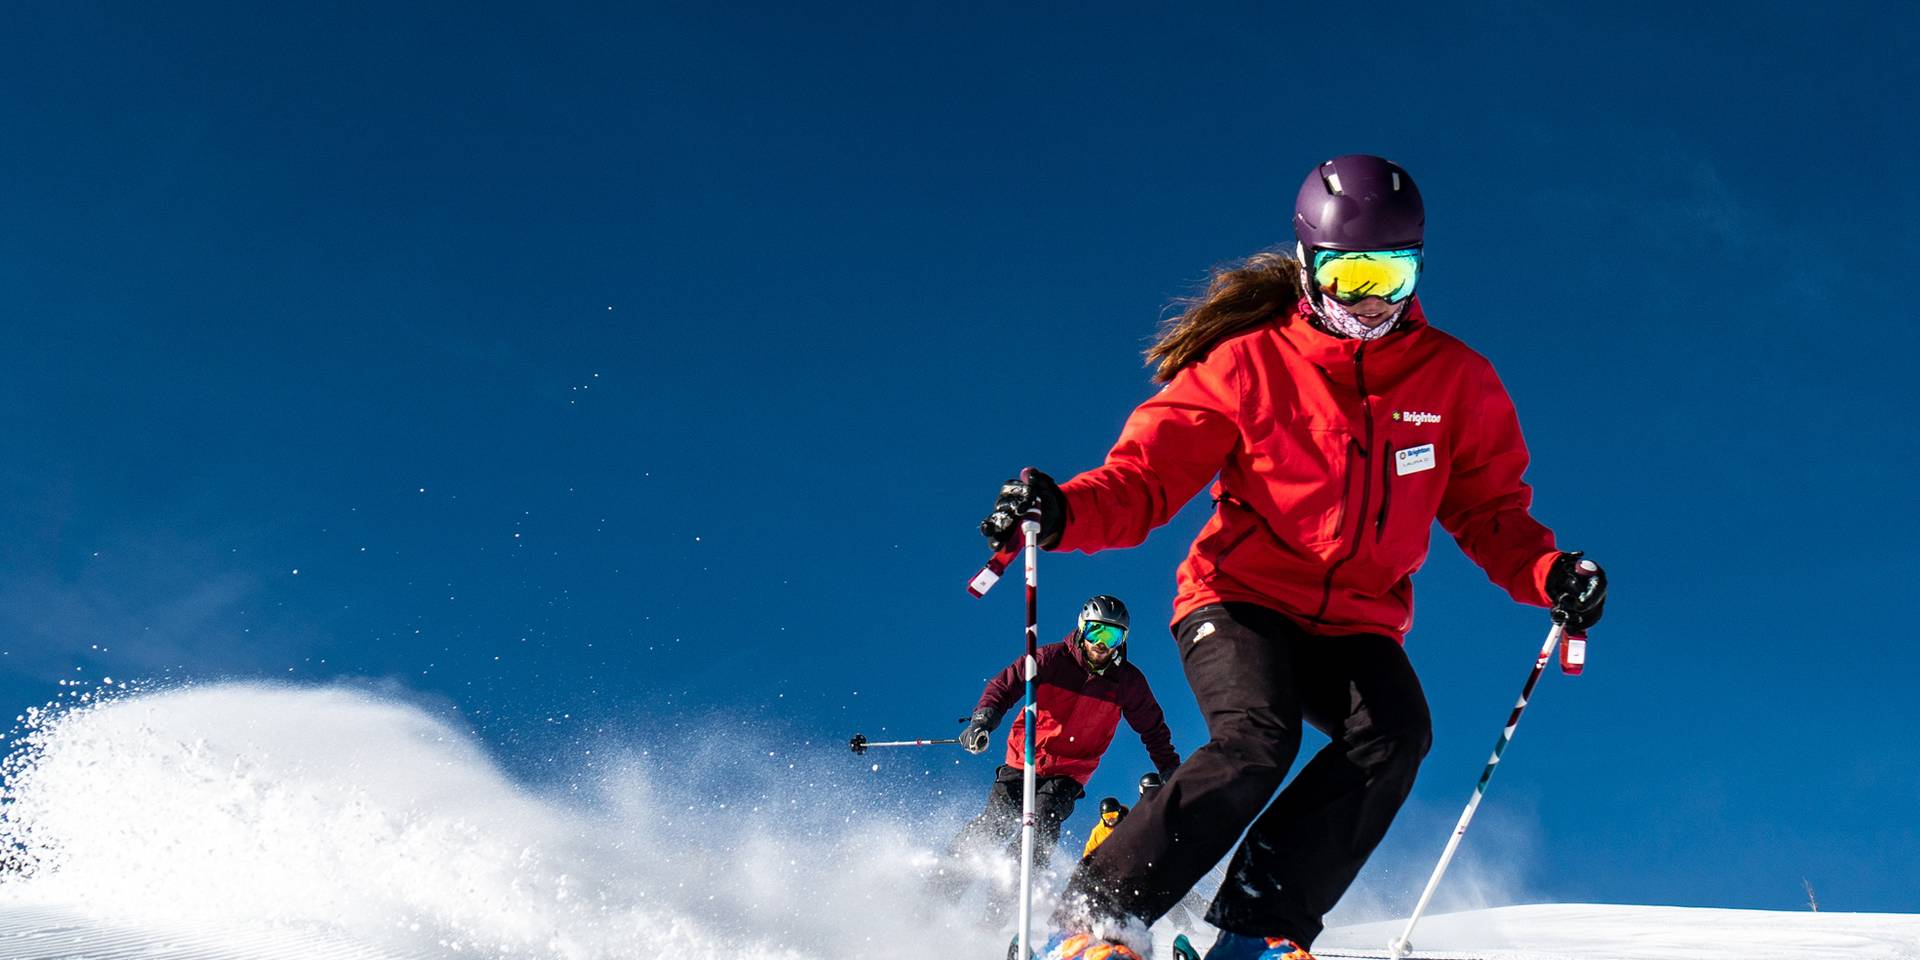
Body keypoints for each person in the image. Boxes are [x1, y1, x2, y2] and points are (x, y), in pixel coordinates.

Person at [977, 155, 1609, 960]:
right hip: (1238, 598)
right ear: (1310, 266)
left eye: (1393, 273)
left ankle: (1258, 930)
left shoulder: (1455, 382)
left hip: (1356, 620)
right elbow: (1145, 477)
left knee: (1394, 736)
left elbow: (1491, 513)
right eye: (1350, 275)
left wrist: (1548, 573)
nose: (1372, 300)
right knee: (1255, 740)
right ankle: (1093, 921)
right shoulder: (1249, 365)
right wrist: (1063, 508)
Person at [948, 595, 1182, 875]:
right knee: (997, 821)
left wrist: (1169, 768)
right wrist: (983, 721)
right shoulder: (1050, 659)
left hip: (1071, 770)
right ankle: (947, 876)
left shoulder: (1127, 683)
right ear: (1082, 628)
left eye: (1112, 636)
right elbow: (1005, 685)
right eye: (1096, 631)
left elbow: (1152, 728)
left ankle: (1015, 887)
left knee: (1044, 820)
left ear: (1122, 641)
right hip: (1026, 757)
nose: (1101, 643)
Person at [1081, 797, 1129, 862]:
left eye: (1113, 815)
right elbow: (1088, 851)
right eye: (1106, 816)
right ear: (1102, 816)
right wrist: (1086, 862)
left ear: (1119, 813)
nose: (1110, 819)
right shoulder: (1098, 831)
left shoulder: (1128, 821)